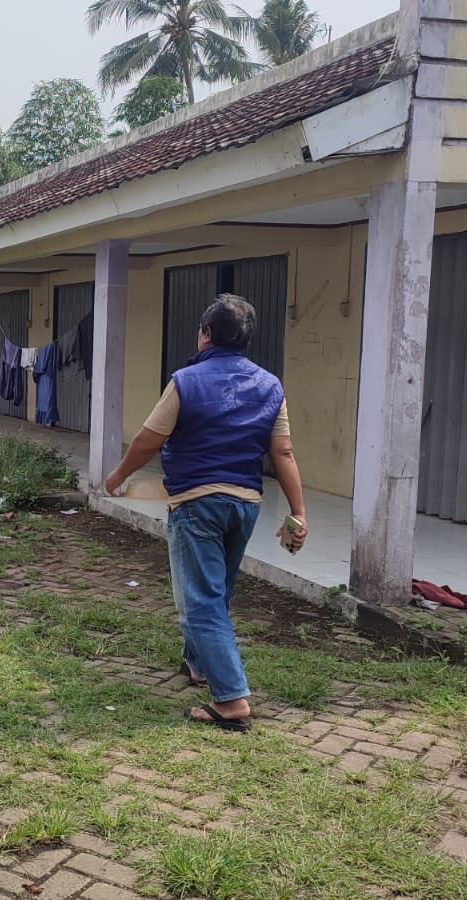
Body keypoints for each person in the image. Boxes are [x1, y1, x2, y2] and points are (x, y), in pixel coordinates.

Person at [101, 294, 307, 731]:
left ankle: (232, 701)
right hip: (245, 506)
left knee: (200, 602)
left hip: (198, 505)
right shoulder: (271, 386)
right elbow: (283, 451)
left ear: (207, 334)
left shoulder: (186, 381)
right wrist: (299, 511)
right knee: (215, 593)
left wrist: (117, 475)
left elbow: (149, 439)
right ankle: (199, 664)